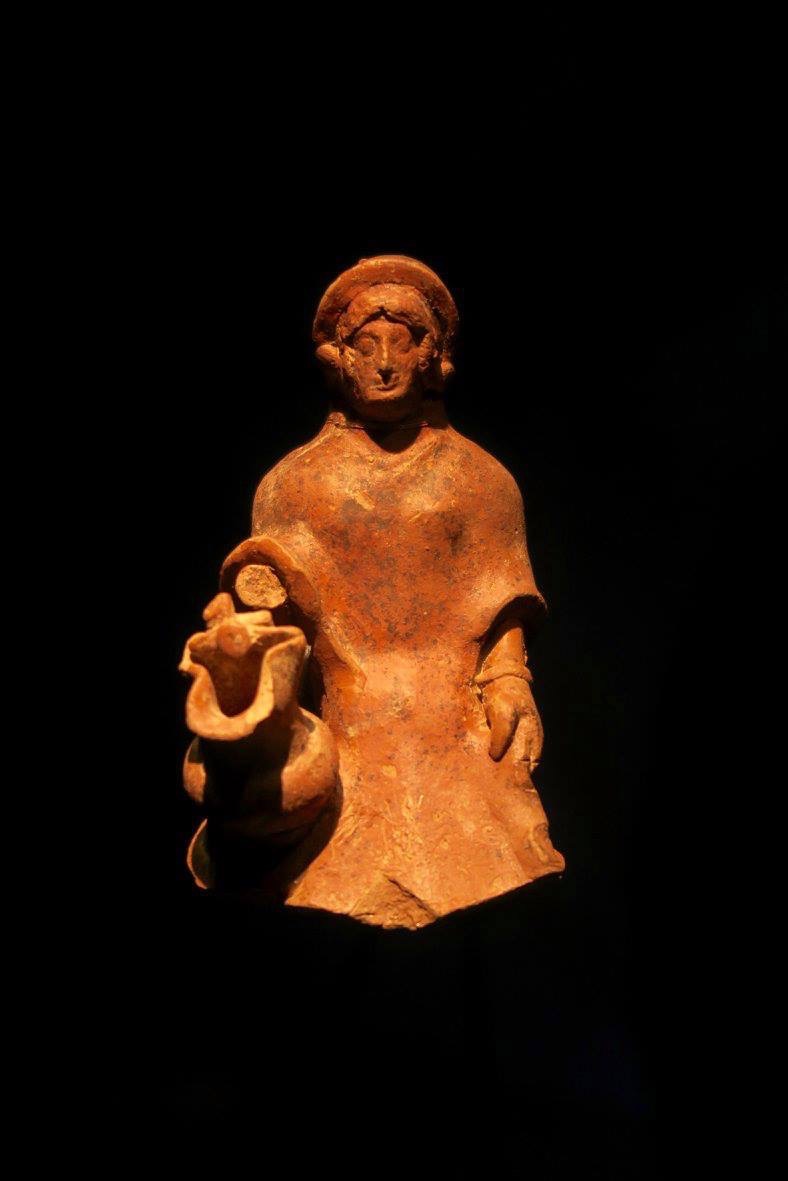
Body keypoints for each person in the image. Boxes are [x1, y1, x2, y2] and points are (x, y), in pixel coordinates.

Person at [180, 255, 564, 929]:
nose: (384, 363)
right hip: (343, 724)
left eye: (402, 343)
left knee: (488, 859)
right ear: (339, 359)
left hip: (453, 724)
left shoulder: (481, 480)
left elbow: (501, 597)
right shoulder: (293, 485)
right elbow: (274, 613)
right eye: (365, 345)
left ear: (431, 357)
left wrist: (509, 677)